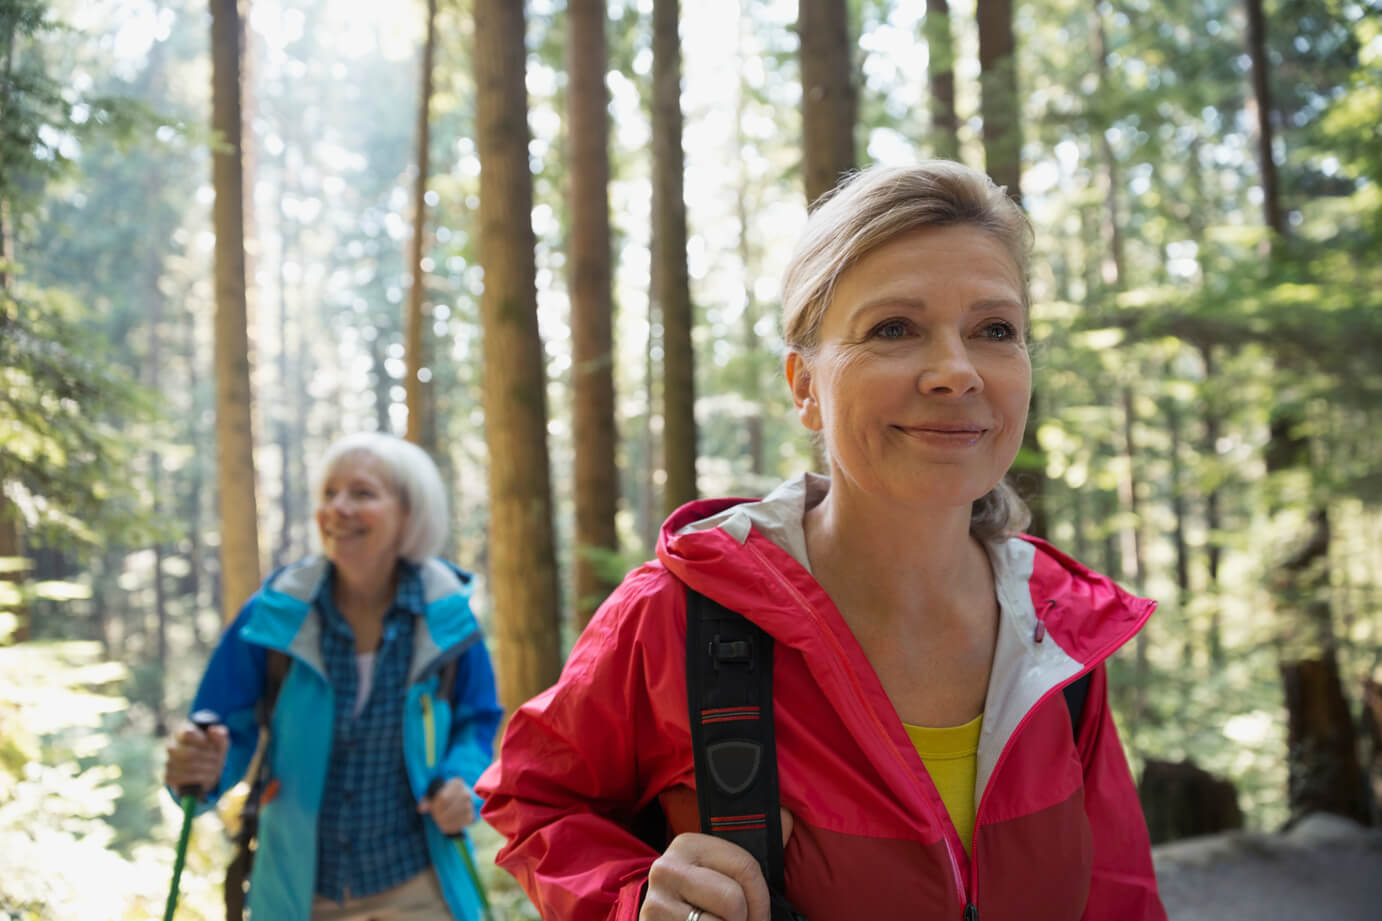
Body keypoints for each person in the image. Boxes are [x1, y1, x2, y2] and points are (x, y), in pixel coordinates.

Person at [475, 161, 1167, 921]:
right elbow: (531, 794)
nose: (956, 370)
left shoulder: (1061, 635)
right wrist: (631, 900)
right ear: (805, 385)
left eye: (994, 329)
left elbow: (1120, 899)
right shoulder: (685, 613)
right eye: (894, 328)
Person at [165, 432, 501, 921]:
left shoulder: (446, 617)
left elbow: (478, 721)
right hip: (299, 892)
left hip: (420, 886)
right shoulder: (273, 615)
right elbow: (220, 734)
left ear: (409, 512)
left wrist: (462, 782)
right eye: (329, 493)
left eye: (362, 494)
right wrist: (199, 771)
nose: (337, 508)